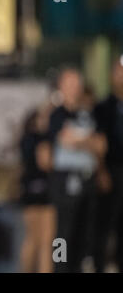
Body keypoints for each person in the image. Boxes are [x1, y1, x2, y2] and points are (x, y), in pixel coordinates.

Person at [45, 68, 106, 272]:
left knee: (86, 231)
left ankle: (80, 266)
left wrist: (80, 140)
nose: (74, 89)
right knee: (63, 232)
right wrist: (87, 141)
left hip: (87, 178)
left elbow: (101, 145)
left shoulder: (89, 113)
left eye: (77, 84)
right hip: (64, 180)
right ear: (61, 87)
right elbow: (63, 139)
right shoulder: (57, 114)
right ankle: (59, 268)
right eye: (69, 84)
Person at [93, 57, 123, 272]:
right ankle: (99, 264)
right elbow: (98, 142)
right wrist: (101, 170)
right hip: (111, 171)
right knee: (105, 223)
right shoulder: (103, 107)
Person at [19, 103, 56, 273]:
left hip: (30, 190)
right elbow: (45, 163)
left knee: (34, 239)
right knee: (44, 241)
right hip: (42, 191)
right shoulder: (41, 139)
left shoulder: (26, 139)